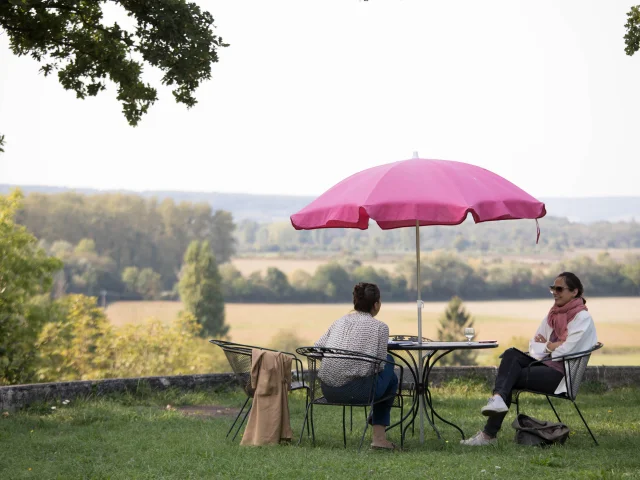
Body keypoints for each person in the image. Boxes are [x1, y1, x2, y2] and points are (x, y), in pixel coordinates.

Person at [461, 272, 598, 446]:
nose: (554, 292)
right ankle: (497, 400)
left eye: (559, 289)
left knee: (509, 377)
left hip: (561, 376)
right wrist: (553, 345)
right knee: (511, 354)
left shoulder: (582, 318)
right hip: (544, 363)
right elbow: (536, 344)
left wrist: (548, 346)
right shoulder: (553, 314)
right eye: (552, 288)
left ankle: (489, 434)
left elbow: (567, 350)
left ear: (574, 292)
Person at [314, 282, 398, 450]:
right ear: (376, 304)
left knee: (388, 372)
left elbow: (317, 349)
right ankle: (379, 437)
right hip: (357, 393)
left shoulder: (338, 322)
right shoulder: (380, 327)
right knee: (390, 366)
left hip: (328, 391)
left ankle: (378, 435)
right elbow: (380, 365)